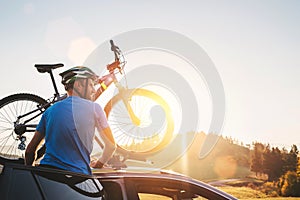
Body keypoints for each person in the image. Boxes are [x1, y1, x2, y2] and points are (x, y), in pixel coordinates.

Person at [25, 66, 116, 175]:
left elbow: (30, 151)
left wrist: (31, 175)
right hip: (77, 178)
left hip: (47, 175)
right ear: (78, 85)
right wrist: (99, 164)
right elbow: (111, 146)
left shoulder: (49, 111)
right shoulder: (95, 108)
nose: (93, 90)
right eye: (91, 85)